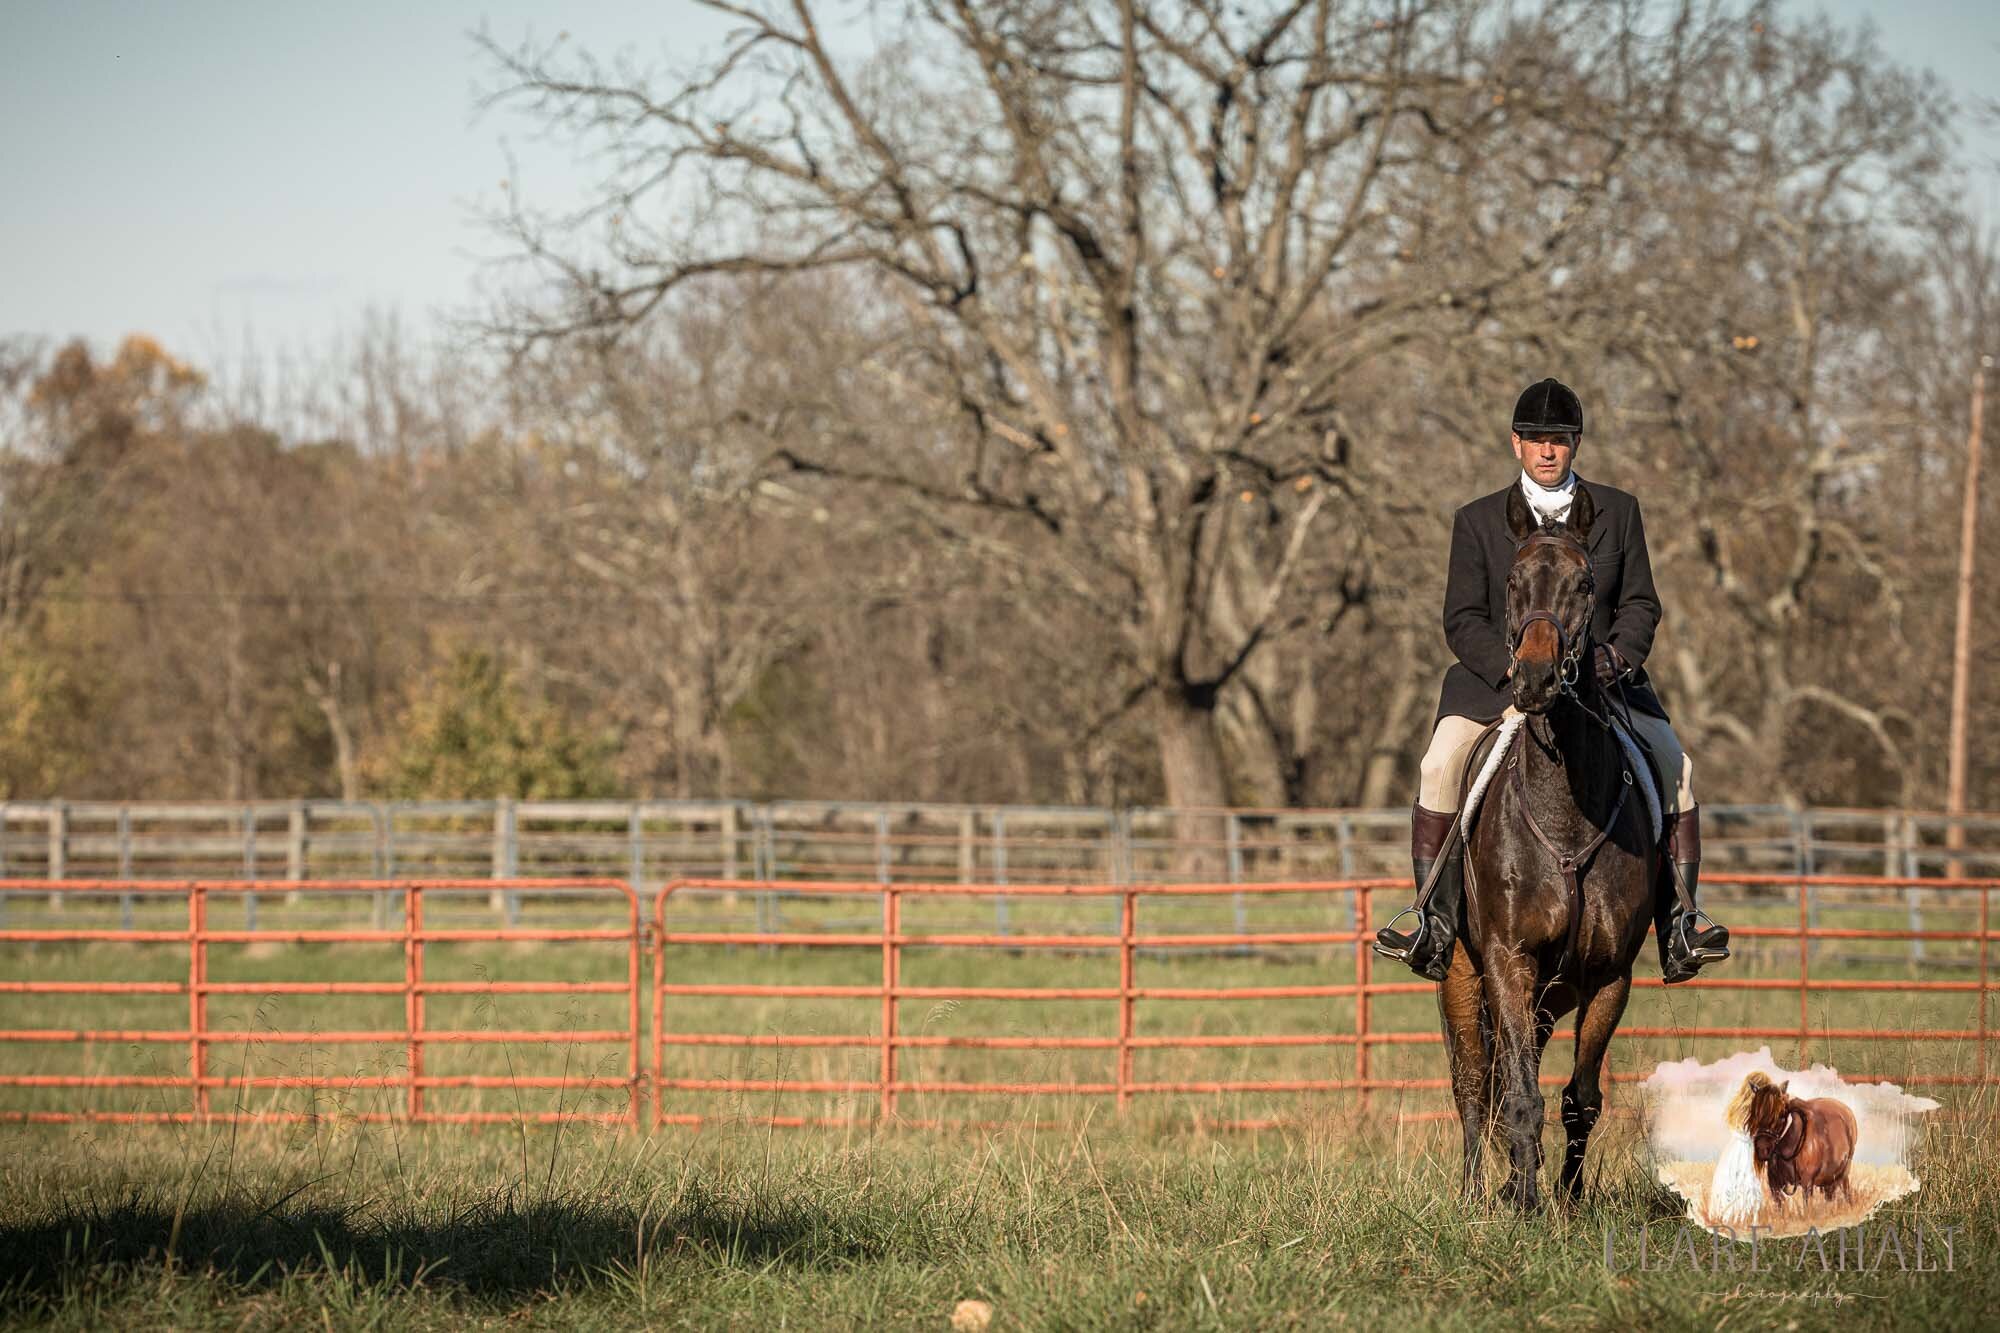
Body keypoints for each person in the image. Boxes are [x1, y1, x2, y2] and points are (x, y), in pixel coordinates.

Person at [1372, 377, 1730, 984]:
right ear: (1515, 444)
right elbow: (1461, 618)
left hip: (1601, 686)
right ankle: (1431, 921)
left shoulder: (1617, 512)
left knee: (1677, 767)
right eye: (1536, 440)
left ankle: (1679, 923)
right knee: (1439, 765)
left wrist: (1614, 659)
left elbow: (1641, 604)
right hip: (1496, 686)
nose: (1547, 452)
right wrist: (1513, 665)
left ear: (1576, 444)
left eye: (1559, 441)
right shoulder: (1478, 520)